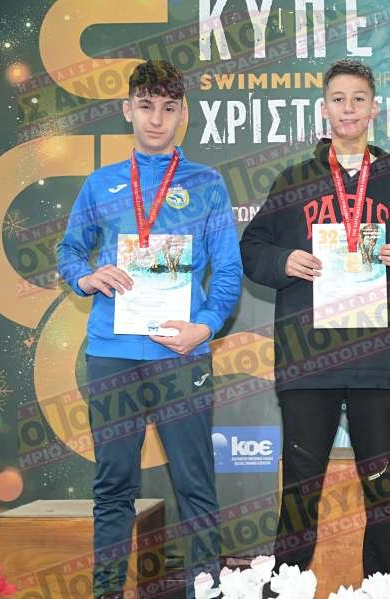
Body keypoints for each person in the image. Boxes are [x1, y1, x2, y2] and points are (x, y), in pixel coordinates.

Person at [240, 59, 390, 583]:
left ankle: (387, 587)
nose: (348, 108)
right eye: (338, 99)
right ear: (324, 109)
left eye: (358, 99)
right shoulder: (293, 180)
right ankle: (287, 584)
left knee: (381, 484)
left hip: (378, 359)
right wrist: (283, 260)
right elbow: (252, 248)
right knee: (301, 484)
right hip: (309, 360)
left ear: (374, 109)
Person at [56, 59, 241, 599]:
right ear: (127, 110)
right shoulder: (101, 183)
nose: (156, 119)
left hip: (181, 353)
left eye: (167, 108)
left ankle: (205, 590)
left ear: (183, 113)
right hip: (112, 353)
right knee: (113, 484)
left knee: (194, 483)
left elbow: (228, 270)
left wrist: (205, 327)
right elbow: (69, 250)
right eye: (145, 107)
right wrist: (86, 277)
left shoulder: (207, 183)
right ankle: (108, 592)